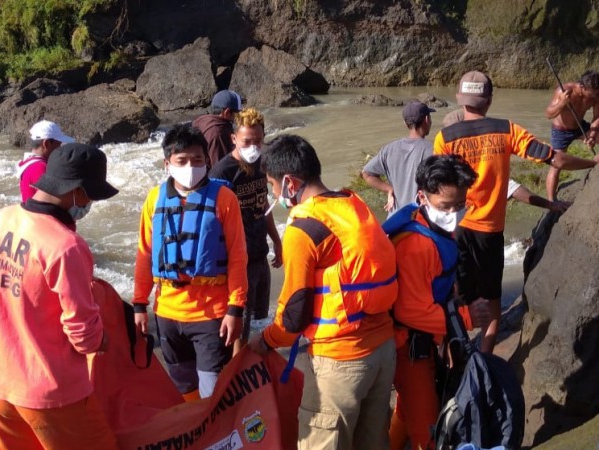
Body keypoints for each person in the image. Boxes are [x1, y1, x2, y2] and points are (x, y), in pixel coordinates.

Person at [249, 134, 399, 449]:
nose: (274, 194)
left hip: (341, 363)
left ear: (290, 183)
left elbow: (293, 317)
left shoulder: (302, 228)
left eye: (273, 186)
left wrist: (263, 342)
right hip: (383, 352)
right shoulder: (353, 203)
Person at [434, 70, 599, 353]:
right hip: (489, 233)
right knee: (493, 309)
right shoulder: (506, 129)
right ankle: (484, 361)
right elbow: (554, 158)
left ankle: (454, 359)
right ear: (489, 100)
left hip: (453, 232)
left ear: (461, 100)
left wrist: (548, 203)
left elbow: (438, 188)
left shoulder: (444, 137)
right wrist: (592, 163)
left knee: (454, 301)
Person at [0, 143, 119, 449]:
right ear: (78, 191)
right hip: (52, 391)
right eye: (91, 195)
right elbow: (82, 331)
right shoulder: (65, 246)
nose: (90, 202)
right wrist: (101, 341)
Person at [382, 154, 492, 450]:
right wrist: (466, 318)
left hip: (422, 341)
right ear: (422, 197)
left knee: (406, 412)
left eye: (460, 205)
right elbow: (410, 311)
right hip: (408, 348)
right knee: (428, 428)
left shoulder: (427, 223)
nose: (454, 213)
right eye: (446, 207)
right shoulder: (416, 246)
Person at [132, 123, 248, 401]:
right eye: (181, 161)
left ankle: (217, 439)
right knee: (183, 388)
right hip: (167, 315)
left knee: (212, 390)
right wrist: (139, 305)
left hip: (211, 315)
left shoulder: (225, 198)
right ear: (167, 163)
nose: (190, 166)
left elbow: (237, 256)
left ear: (207, 160)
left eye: (197, 160)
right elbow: (145, 254)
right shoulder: (154, 199)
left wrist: (236, 310)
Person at [209, 108, 283, 350]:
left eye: (259, 141)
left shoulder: (263, 164)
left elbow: (262, 208)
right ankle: (237, 375)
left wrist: (277, 242)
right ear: (234, 139)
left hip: (260, 252)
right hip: (237, 261)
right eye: (247, 141)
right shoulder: (222, 172)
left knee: (258, 319)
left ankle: (251, 363)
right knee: (239, 325)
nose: (254, 146)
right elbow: (213, 222)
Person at [444, 109, 571, 214]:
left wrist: (549, 205)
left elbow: (512, 188)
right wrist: (550, 205)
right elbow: (513, 189)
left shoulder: (445, 165)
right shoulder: (479, 165)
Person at [362, 100, 436, 216]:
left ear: (405, 123)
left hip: (394, 222)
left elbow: (366, 173)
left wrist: (389, 189)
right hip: (419, 223)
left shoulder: (389, 149)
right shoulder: (432, 150)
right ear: (427, 120)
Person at [544, 70, 599, 200]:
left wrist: (592, 134)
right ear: (582, 87)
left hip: (580, 126)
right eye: (593, 93)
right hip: (560, 130)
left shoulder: (596, 95)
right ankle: (551, 201)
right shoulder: (564, 91)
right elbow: (548, 114)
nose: (596, 96)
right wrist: (561, 103)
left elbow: (597, 116)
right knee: (556, 165)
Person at [17, 120, 75, 202]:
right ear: (47, 144)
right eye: (58, 144)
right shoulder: (39, 168)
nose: (60, 149)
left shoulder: (29, 163)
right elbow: (56, 200)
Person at [192, 89, 242, 166]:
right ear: (227, 112)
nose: (238, 118)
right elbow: (220, 167)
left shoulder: (201, 121)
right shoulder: (219, 133)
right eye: (237, 114)